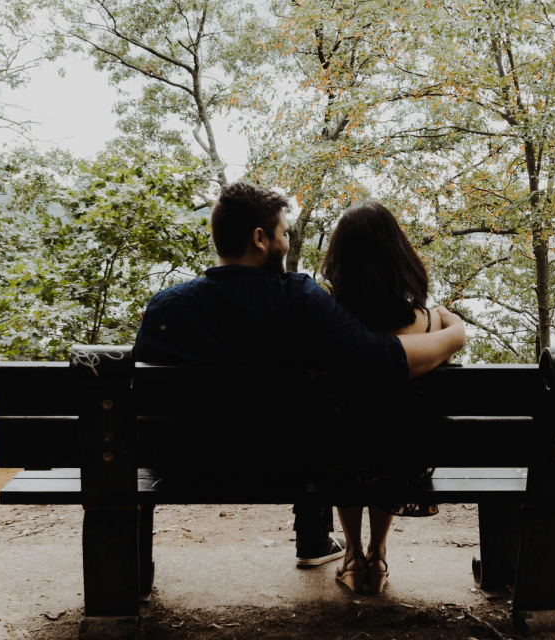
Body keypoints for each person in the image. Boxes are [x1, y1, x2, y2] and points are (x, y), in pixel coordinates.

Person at [132, 182, 465, 568]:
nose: (287, 242)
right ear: (260, 239)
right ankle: (316, 538)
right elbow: (380, 361)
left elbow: (141, 394)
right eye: (284, 233)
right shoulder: (297, 299)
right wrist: (453, 335)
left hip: (175, 466)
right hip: (276, 468)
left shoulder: (164, 308)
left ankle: (134, 574)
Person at [318, 200, 446, 594]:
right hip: (404, 462)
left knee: (345, 441)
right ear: (398, 255)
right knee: (389, 440)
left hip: (338, 460)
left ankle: (353, 554)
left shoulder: (328, 322)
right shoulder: (428, 322)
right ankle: (378, 553)